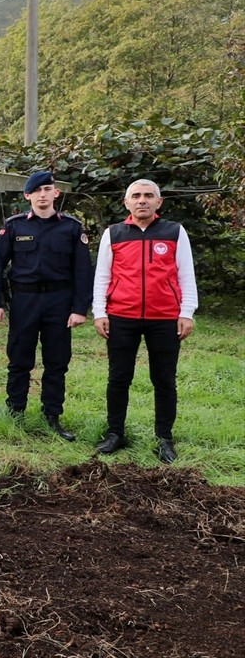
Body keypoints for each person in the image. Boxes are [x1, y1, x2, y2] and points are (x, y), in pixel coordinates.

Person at [92, 179, 198, 464]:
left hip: (164, 318)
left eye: (149, 196)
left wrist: (186, 312)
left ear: (158, 202)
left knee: (164, 379)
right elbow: (103, 276)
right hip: (121, 317)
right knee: (118, 378)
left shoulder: (174, 232)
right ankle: (115, 434)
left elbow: (186, 274)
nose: (142, 200)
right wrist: (99, 312)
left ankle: (164, 438)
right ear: (126, 202)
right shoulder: (113, 233)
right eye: (136, 196)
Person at [0, 170, 94, 440]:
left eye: (48, 190)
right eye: (37, 191)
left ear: (56, 193)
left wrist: (80, 308)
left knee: (57, 361)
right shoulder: (14, 226)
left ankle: (52, 416)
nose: (42, 195)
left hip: (59, 301)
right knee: (19, 359)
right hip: (24, 300)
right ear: (28, 196)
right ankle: (15, 413)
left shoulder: (71, 228)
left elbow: (83, 271)